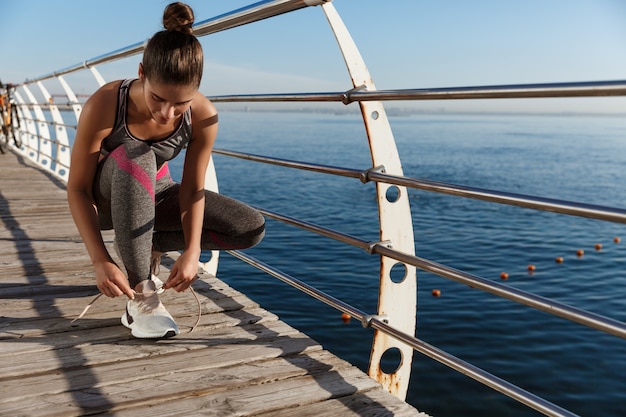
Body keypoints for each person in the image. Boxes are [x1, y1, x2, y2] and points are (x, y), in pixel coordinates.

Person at [67, 2, 265, 339]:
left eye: (181, 104)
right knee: (136, 153)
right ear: (142, 73)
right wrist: (100, 259)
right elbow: (78, 189)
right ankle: (141, 295)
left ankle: (149, 243)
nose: (167, 113)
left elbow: (191, 190)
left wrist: (192, 250)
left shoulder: (204, 115)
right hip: (108, 199)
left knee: (248, 228)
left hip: (157, 193)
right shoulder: (106, 102)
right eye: (158, 98)